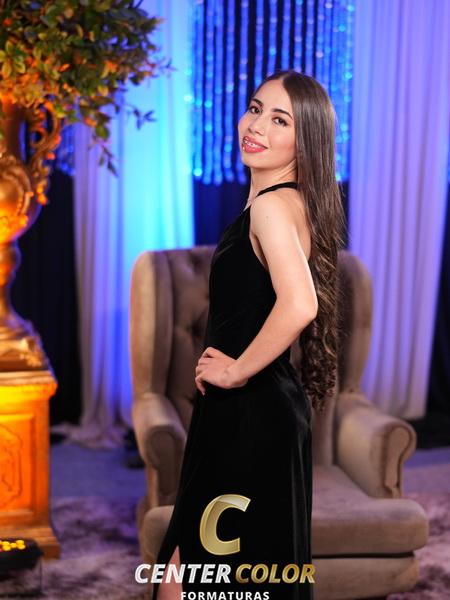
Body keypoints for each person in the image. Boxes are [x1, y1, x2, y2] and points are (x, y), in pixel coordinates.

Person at [152, 69, 345, 600]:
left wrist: (235, 371)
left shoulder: (270, 207)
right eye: (256, 109)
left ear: (305, 142)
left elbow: (300, 304)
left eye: (280, 119)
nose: (255, 125)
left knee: (198, 573)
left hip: (250, 414)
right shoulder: (287, 202)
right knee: (205, 570)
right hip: (254, 412)